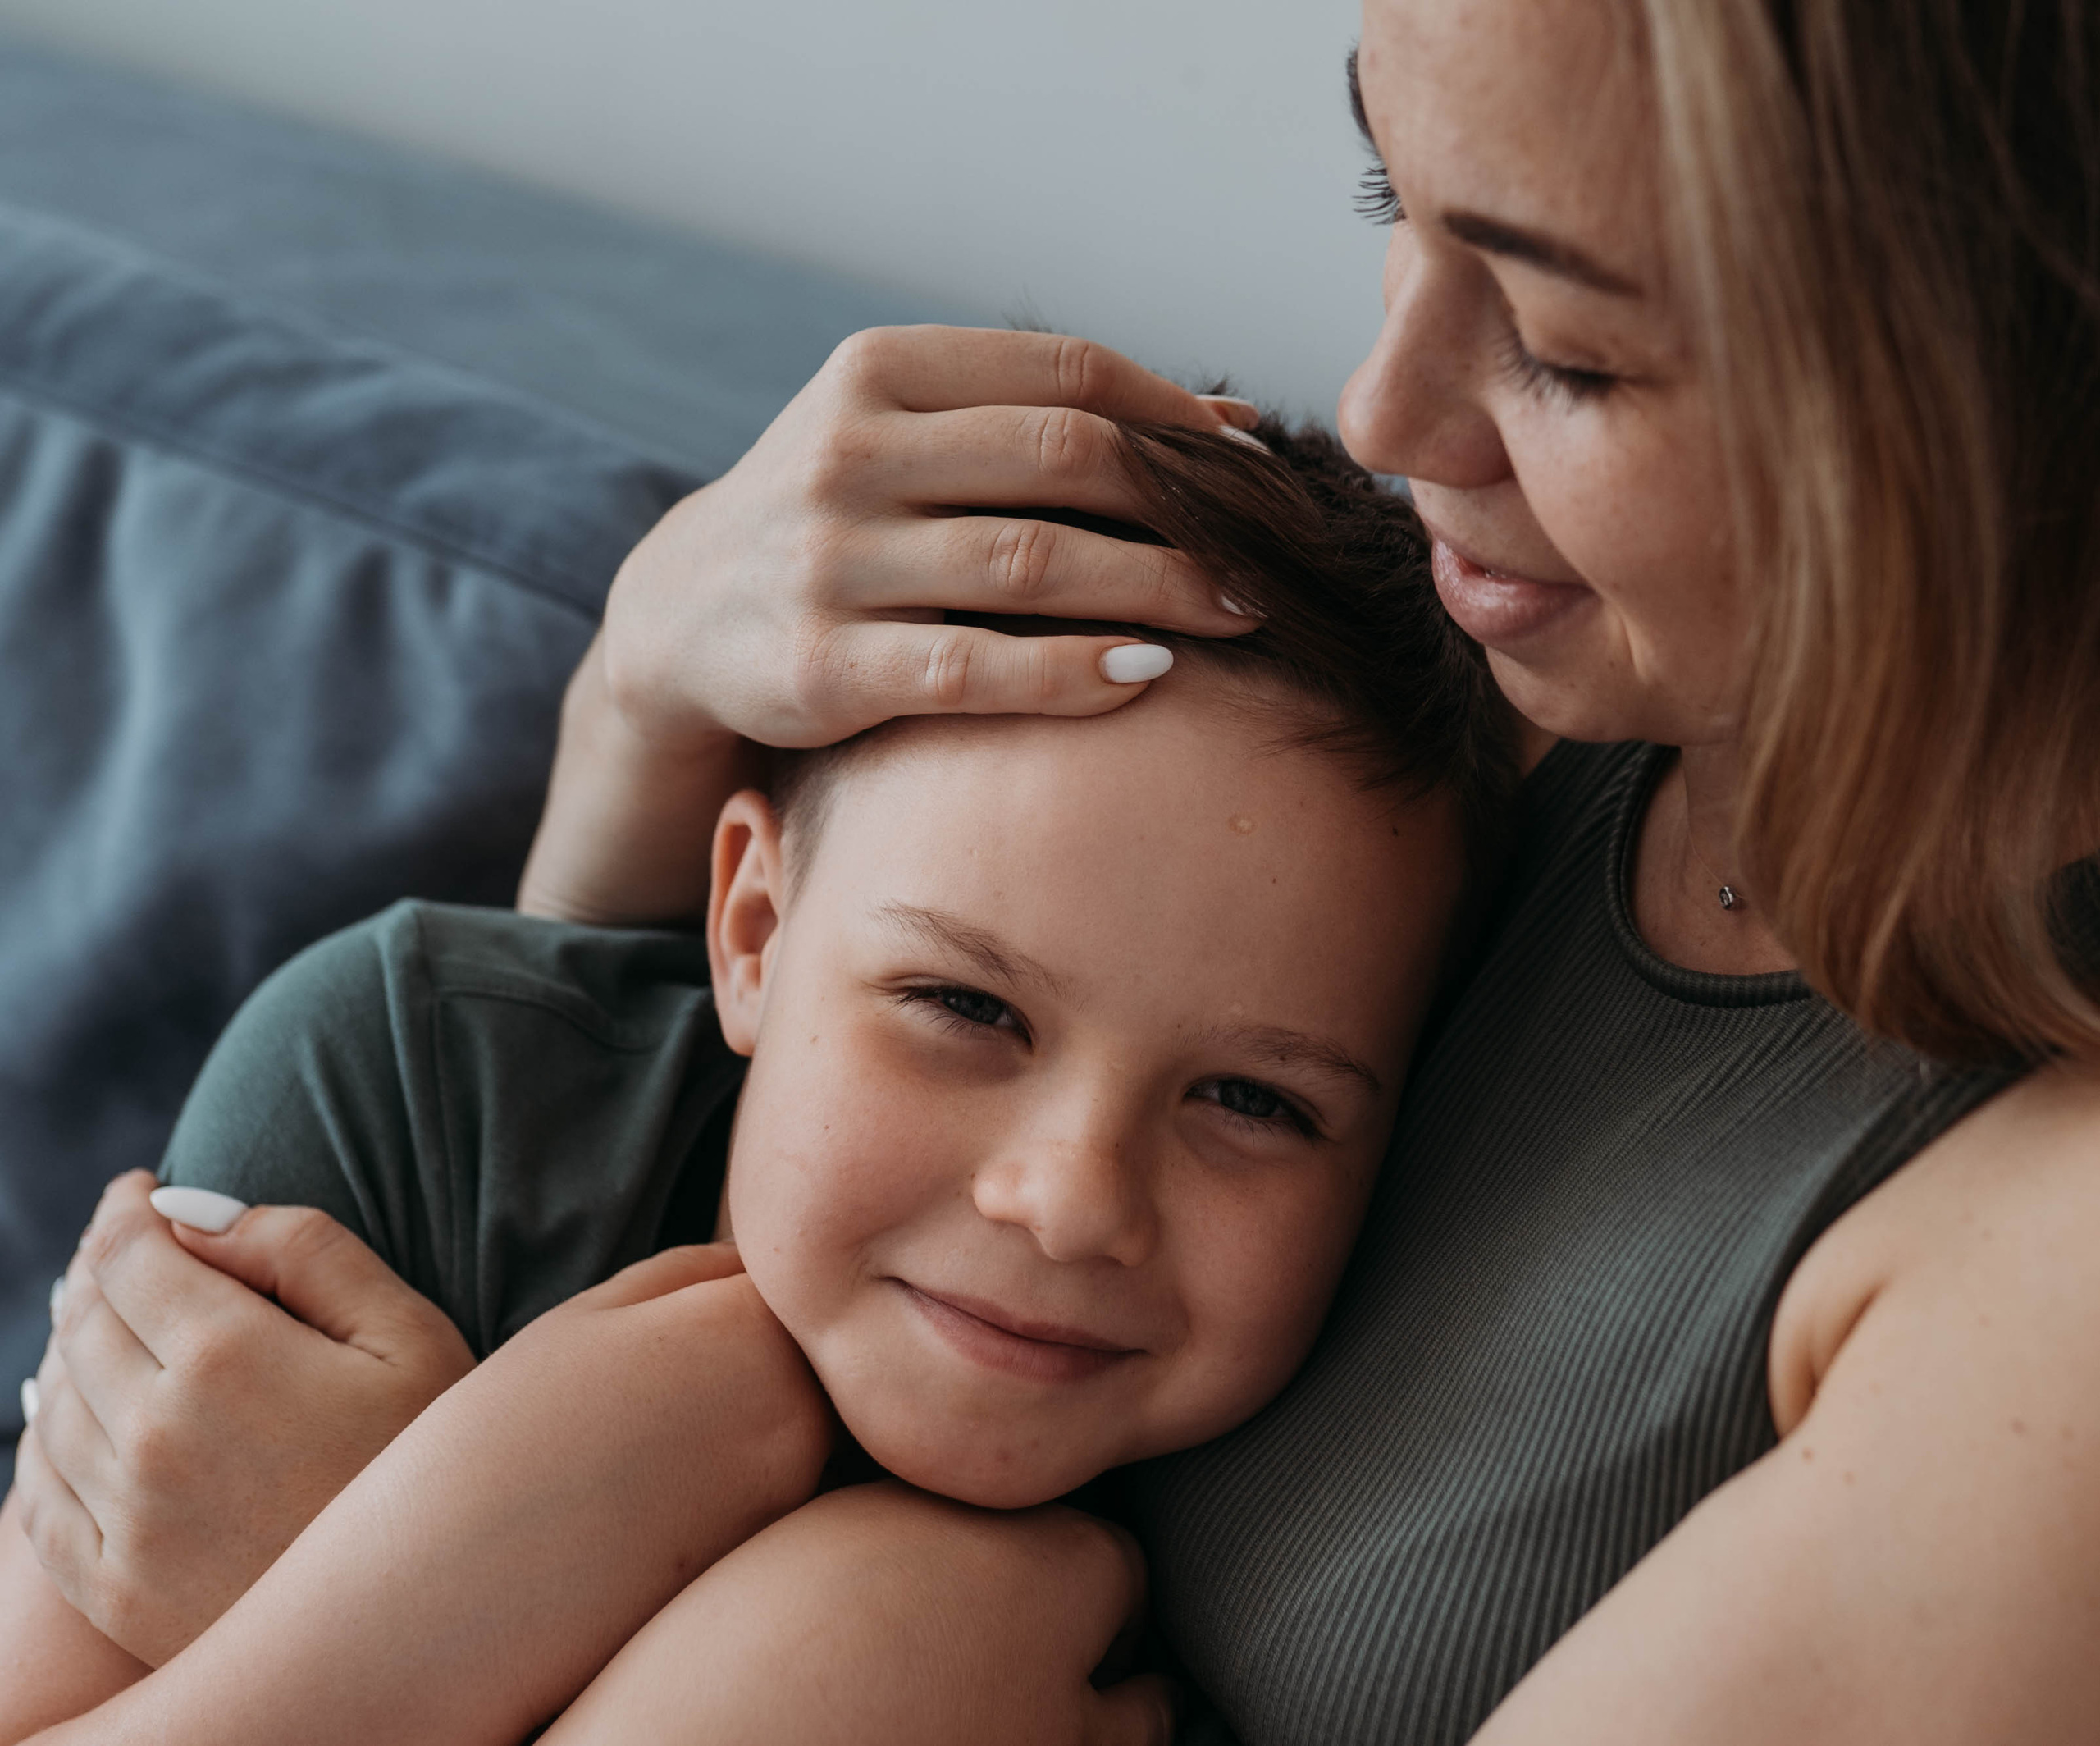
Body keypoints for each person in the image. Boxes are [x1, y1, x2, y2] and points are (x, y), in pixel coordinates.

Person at [11, 0, 2100, 1736]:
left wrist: (496, 1612)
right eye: (1389, 198)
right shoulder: (1502, 665)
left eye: (1568, 342)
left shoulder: (2024, 1272)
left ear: (1981, 399)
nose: (1383, 412)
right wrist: (646, 695)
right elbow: (621, 1062)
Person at [1, 421, 1509, 1742]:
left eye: (1254, 1102)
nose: (1069, 1203)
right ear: (755, 931)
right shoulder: (428, 1074)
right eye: (964, 1005)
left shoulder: (1357, 1523)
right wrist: (439, 1581)